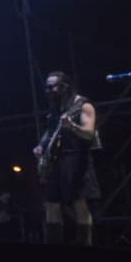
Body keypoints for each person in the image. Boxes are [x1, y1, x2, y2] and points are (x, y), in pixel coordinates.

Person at [33, 71, 100, 246]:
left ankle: (85, 245)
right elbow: (50, 131)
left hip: (77, 160)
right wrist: (41, 145)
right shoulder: (55, 109)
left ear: (64, 87)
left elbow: (89, 134)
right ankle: (53, 245)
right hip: (56, 161)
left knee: (79, 203)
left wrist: (72, 126)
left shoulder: (83, 105)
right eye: (46, 87)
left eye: (52, 86)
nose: (48, 90)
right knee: (51, 203)